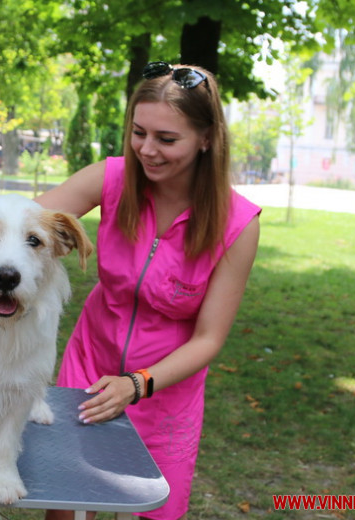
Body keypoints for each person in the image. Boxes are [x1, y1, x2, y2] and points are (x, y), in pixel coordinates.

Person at [36, 62, 261, 520]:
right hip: (89, 370)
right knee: (67, 506)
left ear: (207, 138)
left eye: (167, 139)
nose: (147, 150)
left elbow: (209, 339)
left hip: (165, 397)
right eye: (139, 133)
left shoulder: (238, 224)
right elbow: (25, 219)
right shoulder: (112, 178)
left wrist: (136, 385)